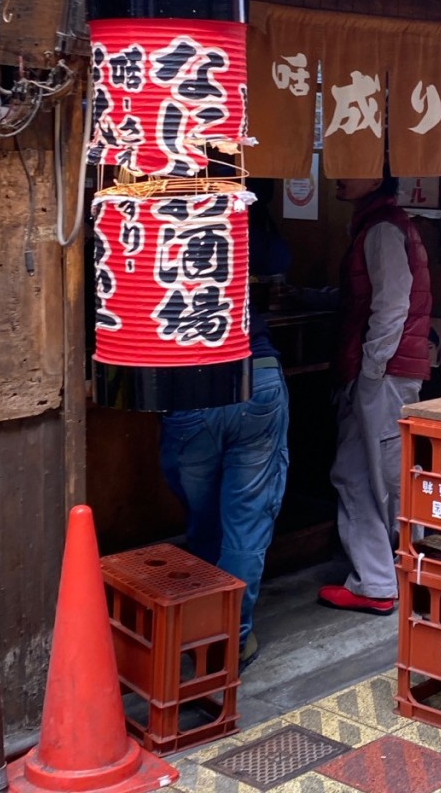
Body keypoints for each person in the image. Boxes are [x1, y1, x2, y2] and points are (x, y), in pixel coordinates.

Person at [159, 181, 291, 671]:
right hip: (255, 375)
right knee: (247, 523)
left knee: (204, 519)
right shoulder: (242, 210)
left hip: (190, 389)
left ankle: (199, 628)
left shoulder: (157, 217)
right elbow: (279, 259)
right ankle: (230, 639)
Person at [317, 170, 432, 615]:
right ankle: (379, 580)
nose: (338, 174)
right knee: (356, 474)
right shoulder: (381, 223)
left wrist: (370, 369)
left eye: (354, 166)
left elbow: (392, 305)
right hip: (378, 371)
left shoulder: (384, 227)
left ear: (378, 179)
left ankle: (406, 575)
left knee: (391, 476)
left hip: (383, 374)